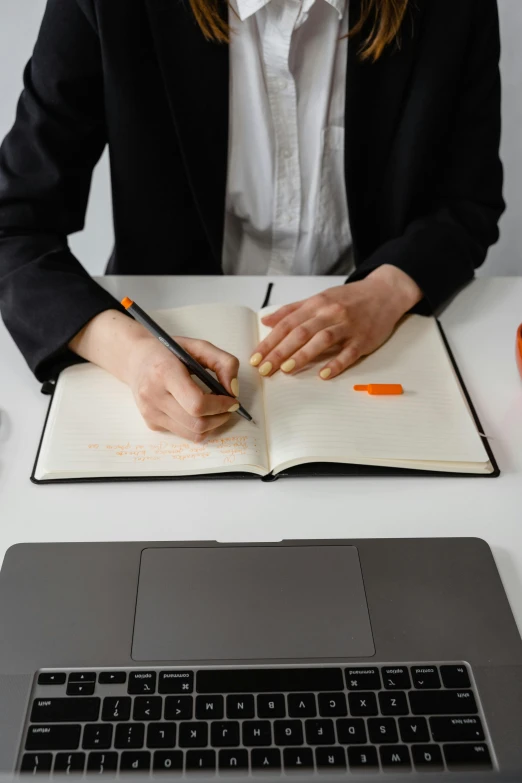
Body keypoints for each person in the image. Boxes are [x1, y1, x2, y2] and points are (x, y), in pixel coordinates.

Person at [0, 0, 504, 442]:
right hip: (172, 324)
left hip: (383, 344)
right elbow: (14, 225)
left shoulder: (450, 8)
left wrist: (385, 292)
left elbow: (467, 201)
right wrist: (131, 353)